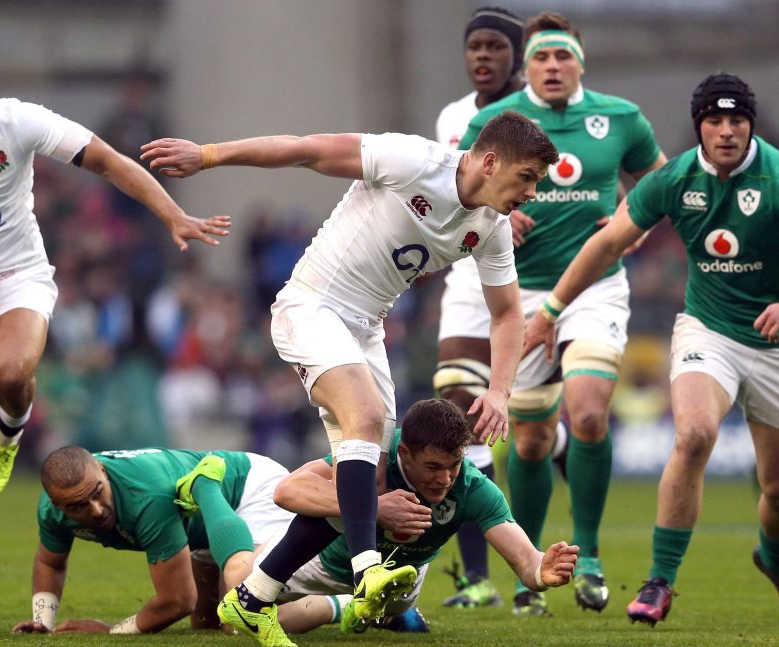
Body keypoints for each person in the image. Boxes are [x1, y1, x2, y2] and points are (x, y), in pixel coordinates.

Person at [140, 110, 558, 637]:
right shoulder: (412, 161)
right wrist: (208, 155)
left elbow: (507, 314)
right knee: (366, 417)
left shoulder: (491, 228)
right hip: (311, 306)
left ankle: (256, 594)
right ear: (491, 160)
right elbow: (305, 147)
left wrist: (500, 391)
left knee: (366, 479)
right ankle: (367, 571)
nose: (532, 193)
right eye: (527, 178)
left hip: (366, 329)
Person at [524, 73, 779, 626]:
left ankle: (776, 560)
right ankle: (660, 581)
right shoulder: (674, 179)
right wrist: (549, 310)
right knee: (693, 435)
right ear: (699, 126)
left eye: (737, 120)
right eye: (715, 120)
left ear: (750, 124)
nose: (726, 131)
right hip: (708, 331)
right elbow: (609, 240)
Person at [0, 49, 230, 624]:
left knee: (10, 372)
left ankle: (8, 438)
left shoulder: (15, 121)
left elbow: (108, 161)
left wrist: (171, 215)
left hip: (19, 279)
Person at [453, 11, 666, 615]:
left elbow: (663, 179)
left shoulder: (620, 117)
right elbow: (459, 191)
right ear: (527, 66)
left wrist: (635, 222)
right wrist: (493, 214)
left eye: (562, 57)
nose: (552, 67)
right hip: (517, 294)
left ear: (580, 63)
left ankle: (591, 555)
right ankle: (530, 570)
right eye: (542, 58)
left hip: (595, 289)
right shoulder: (492, 124)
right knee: (530, 442)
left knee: (590, 413)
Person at [224, 399, 578, 646]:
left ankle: (365, 608)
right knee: (229, 617)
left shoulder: (472, 487)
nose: (445, 479)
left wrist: (540, 573)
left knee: (271, 616)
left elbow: (525, 560)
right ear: (404, 453)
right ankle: (352, 606)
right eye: (433, 467)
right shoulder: (373, 456)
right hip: (320, 563)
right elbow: (288, 490)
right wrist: (372, 506)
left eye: (453, 465)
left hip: (398, 585)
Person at [433, 5, 527, 610]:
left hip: (538, 283)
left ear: (515, 54)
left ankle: (573, 558)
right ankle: (479, 577)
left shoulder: (533, 116)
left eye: (495, 46)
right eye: (475, 47)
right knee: (458, 414)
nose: (483, 56)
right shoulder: (451, 117)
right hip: (471, 277)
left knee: (545, 434)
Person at [11, 446, 295, 635]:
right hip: (200, 523)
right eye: (78, 507)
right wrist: (42, 623)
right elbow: (51, 563)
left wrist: (111, 631)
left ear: (103, 471)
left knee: (239, 620)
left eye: (98, 493)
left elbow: (178, 601)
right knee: (205, 623)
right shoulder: (51, 511)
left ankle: (337, 604)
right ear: (57, 504)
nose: (95, 510)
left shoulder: (145, 498)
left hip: (250, 489)